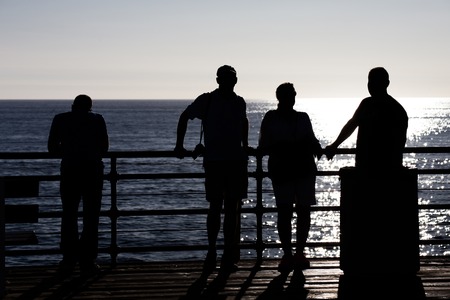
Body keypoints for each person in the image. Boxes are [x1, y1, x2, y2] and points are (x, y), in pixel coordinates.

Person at [174, 65, 249, 274]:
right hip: (222, 161)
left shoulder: (235, 101)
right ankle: (216, 252)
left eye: (230, 78)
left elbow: (184, 116)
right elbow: (185, 116)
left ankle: (219, 254)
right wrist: (179, 144)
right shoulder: (210, 100)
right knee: (221, 208)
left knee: (225, 209)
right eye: (226, 78)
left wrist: (179, 145)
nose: (228, 81)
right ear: (219, 80)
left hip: (227, 161)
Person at [258, 83, 322, 273]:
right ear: (281, 97)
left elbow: (264, 146)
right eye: (289, 95)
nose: (291, 98)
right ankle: (292, 254)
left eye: (292, 95)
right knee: (292, 212)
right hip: (295, 169)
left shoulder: (278, 118)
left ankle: (293, 254)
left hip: (291, 169)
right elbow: (311, 140)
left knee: (293, 212)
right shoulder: (295, 118)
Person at [48, 94, 109, 275]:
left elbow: (51, 147)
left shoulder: (60, 119)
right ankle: (88, 261)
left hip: (70, 170)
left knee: (69, 215)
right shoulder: (98, 119)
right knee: (91, 217)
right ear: (90, 106)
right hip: (93, 171)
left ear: (73, 105)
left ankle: (68, 260)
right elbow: (104, 147)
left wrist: (68, 151)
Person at [325, 67, 408, 169]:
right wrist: (335, 145)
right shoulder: (366, 104)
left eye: (375, 81)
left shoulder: (396, 110)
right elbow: (352, 124)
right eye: (370, 81)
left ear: (386, 83)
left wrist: (334, 145)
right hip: (365, 167)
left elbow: (398, 143)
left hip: (385, 170)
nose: (371, 85)